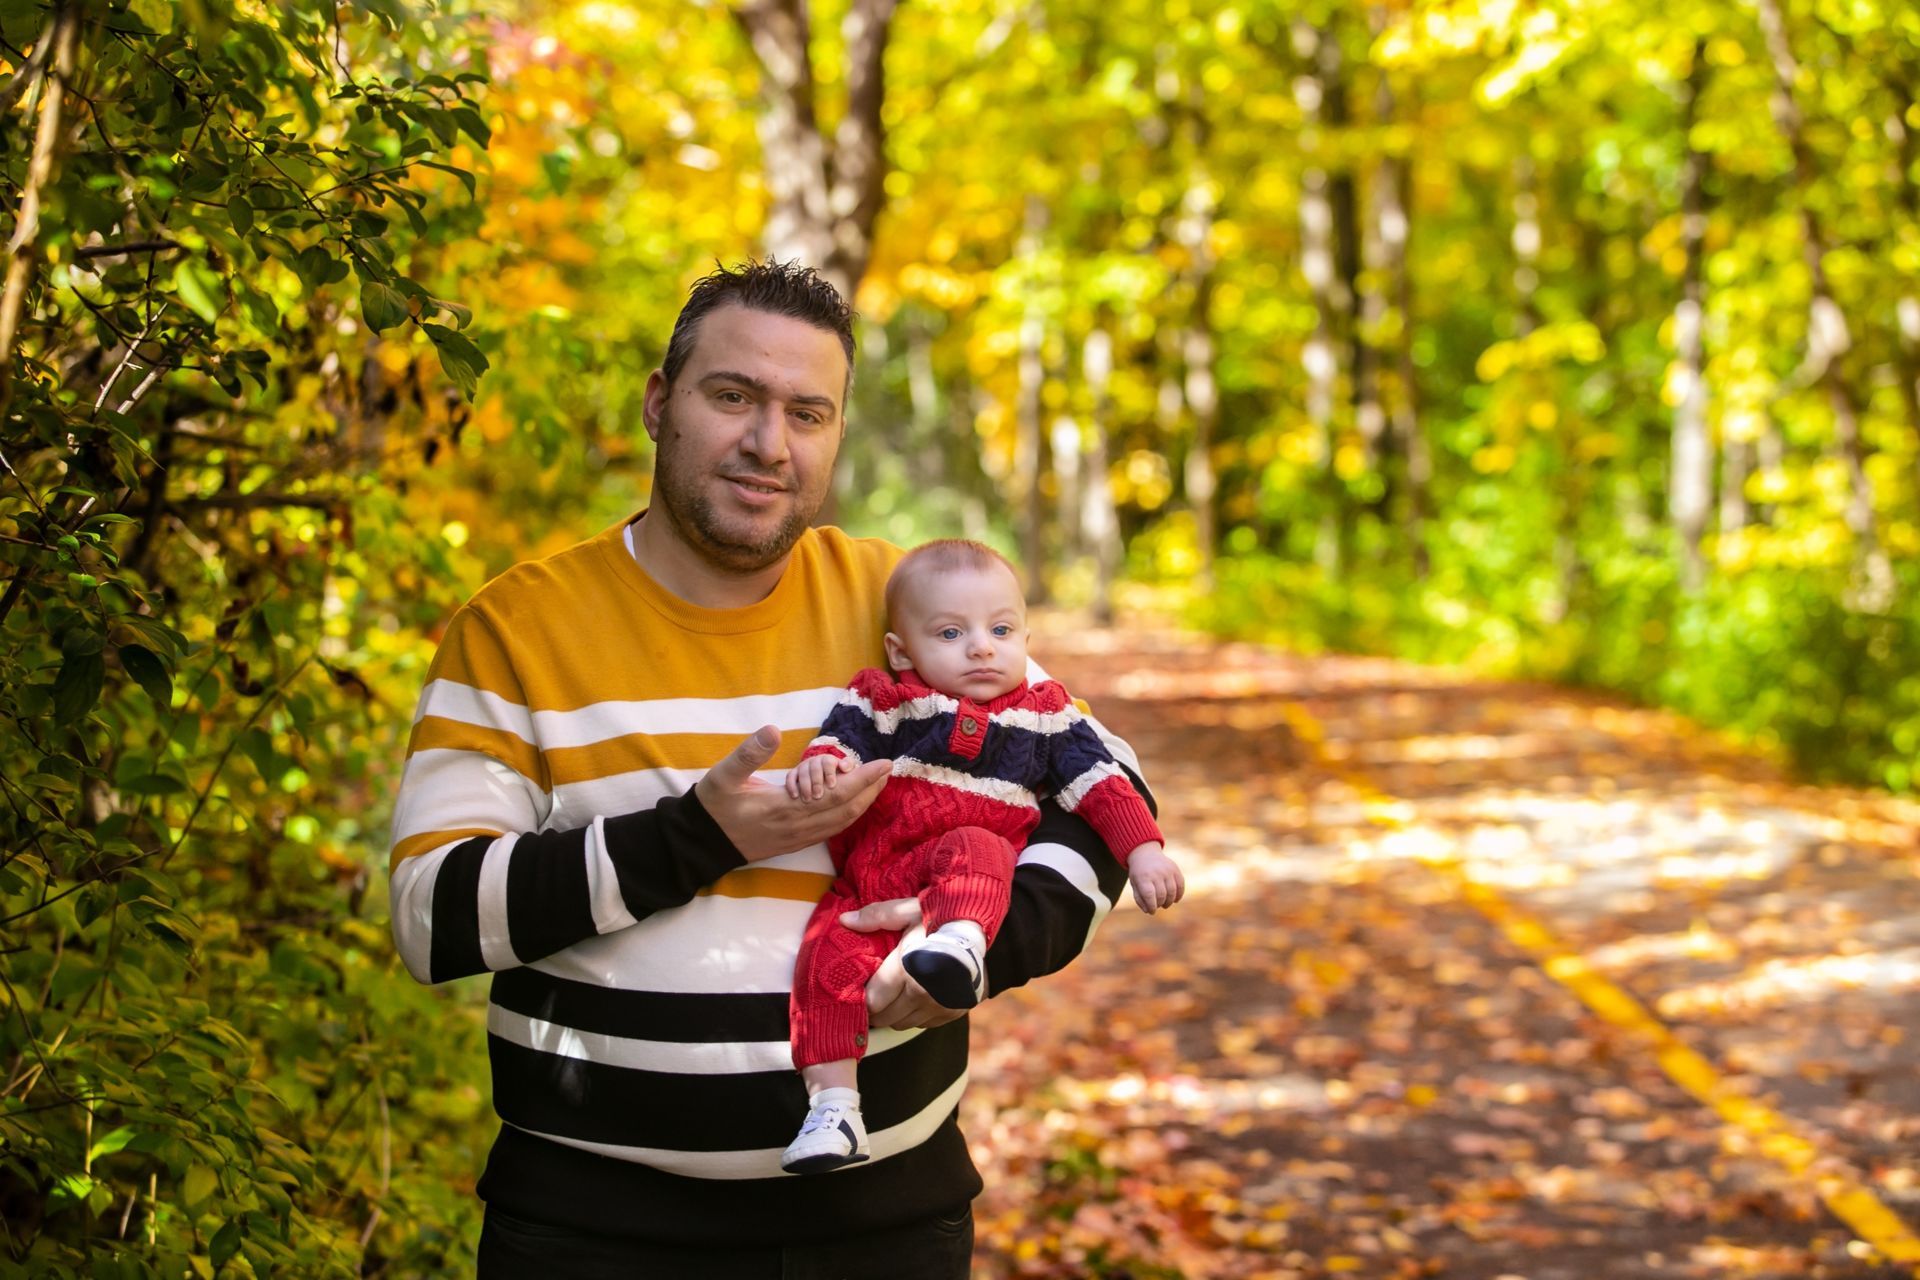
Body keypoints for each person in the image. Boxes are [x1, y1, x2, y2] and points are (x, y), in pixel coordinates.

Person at [386, 260, 1157, 1279]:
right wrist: (696, 838)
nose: (768, 442)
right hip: (590, 1230)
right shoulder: (519, 628)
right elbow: (430, 913)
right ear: (659, 404)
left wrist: (981, 941)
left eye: (808, 413)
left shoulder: (899, 600)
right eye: (732, 396)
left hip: (884, 1224)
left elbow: (1108, 777)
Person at [779, 539, 1184, 1174]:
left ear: (1026, 636)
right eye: (951, 633)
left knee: (977, 846)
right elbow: (842, 739)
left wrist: (1144, 850)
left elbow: (1101, 782)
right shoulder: (886, 698)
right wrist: (822, 763)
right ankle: (833, 1108)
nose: (981, 648)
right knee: (823, 963)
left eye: (1001, 630)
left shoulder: (1044, 713)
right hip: (871, 882)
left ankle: (960, 944)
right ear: (901, 651)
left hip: (973, 878)